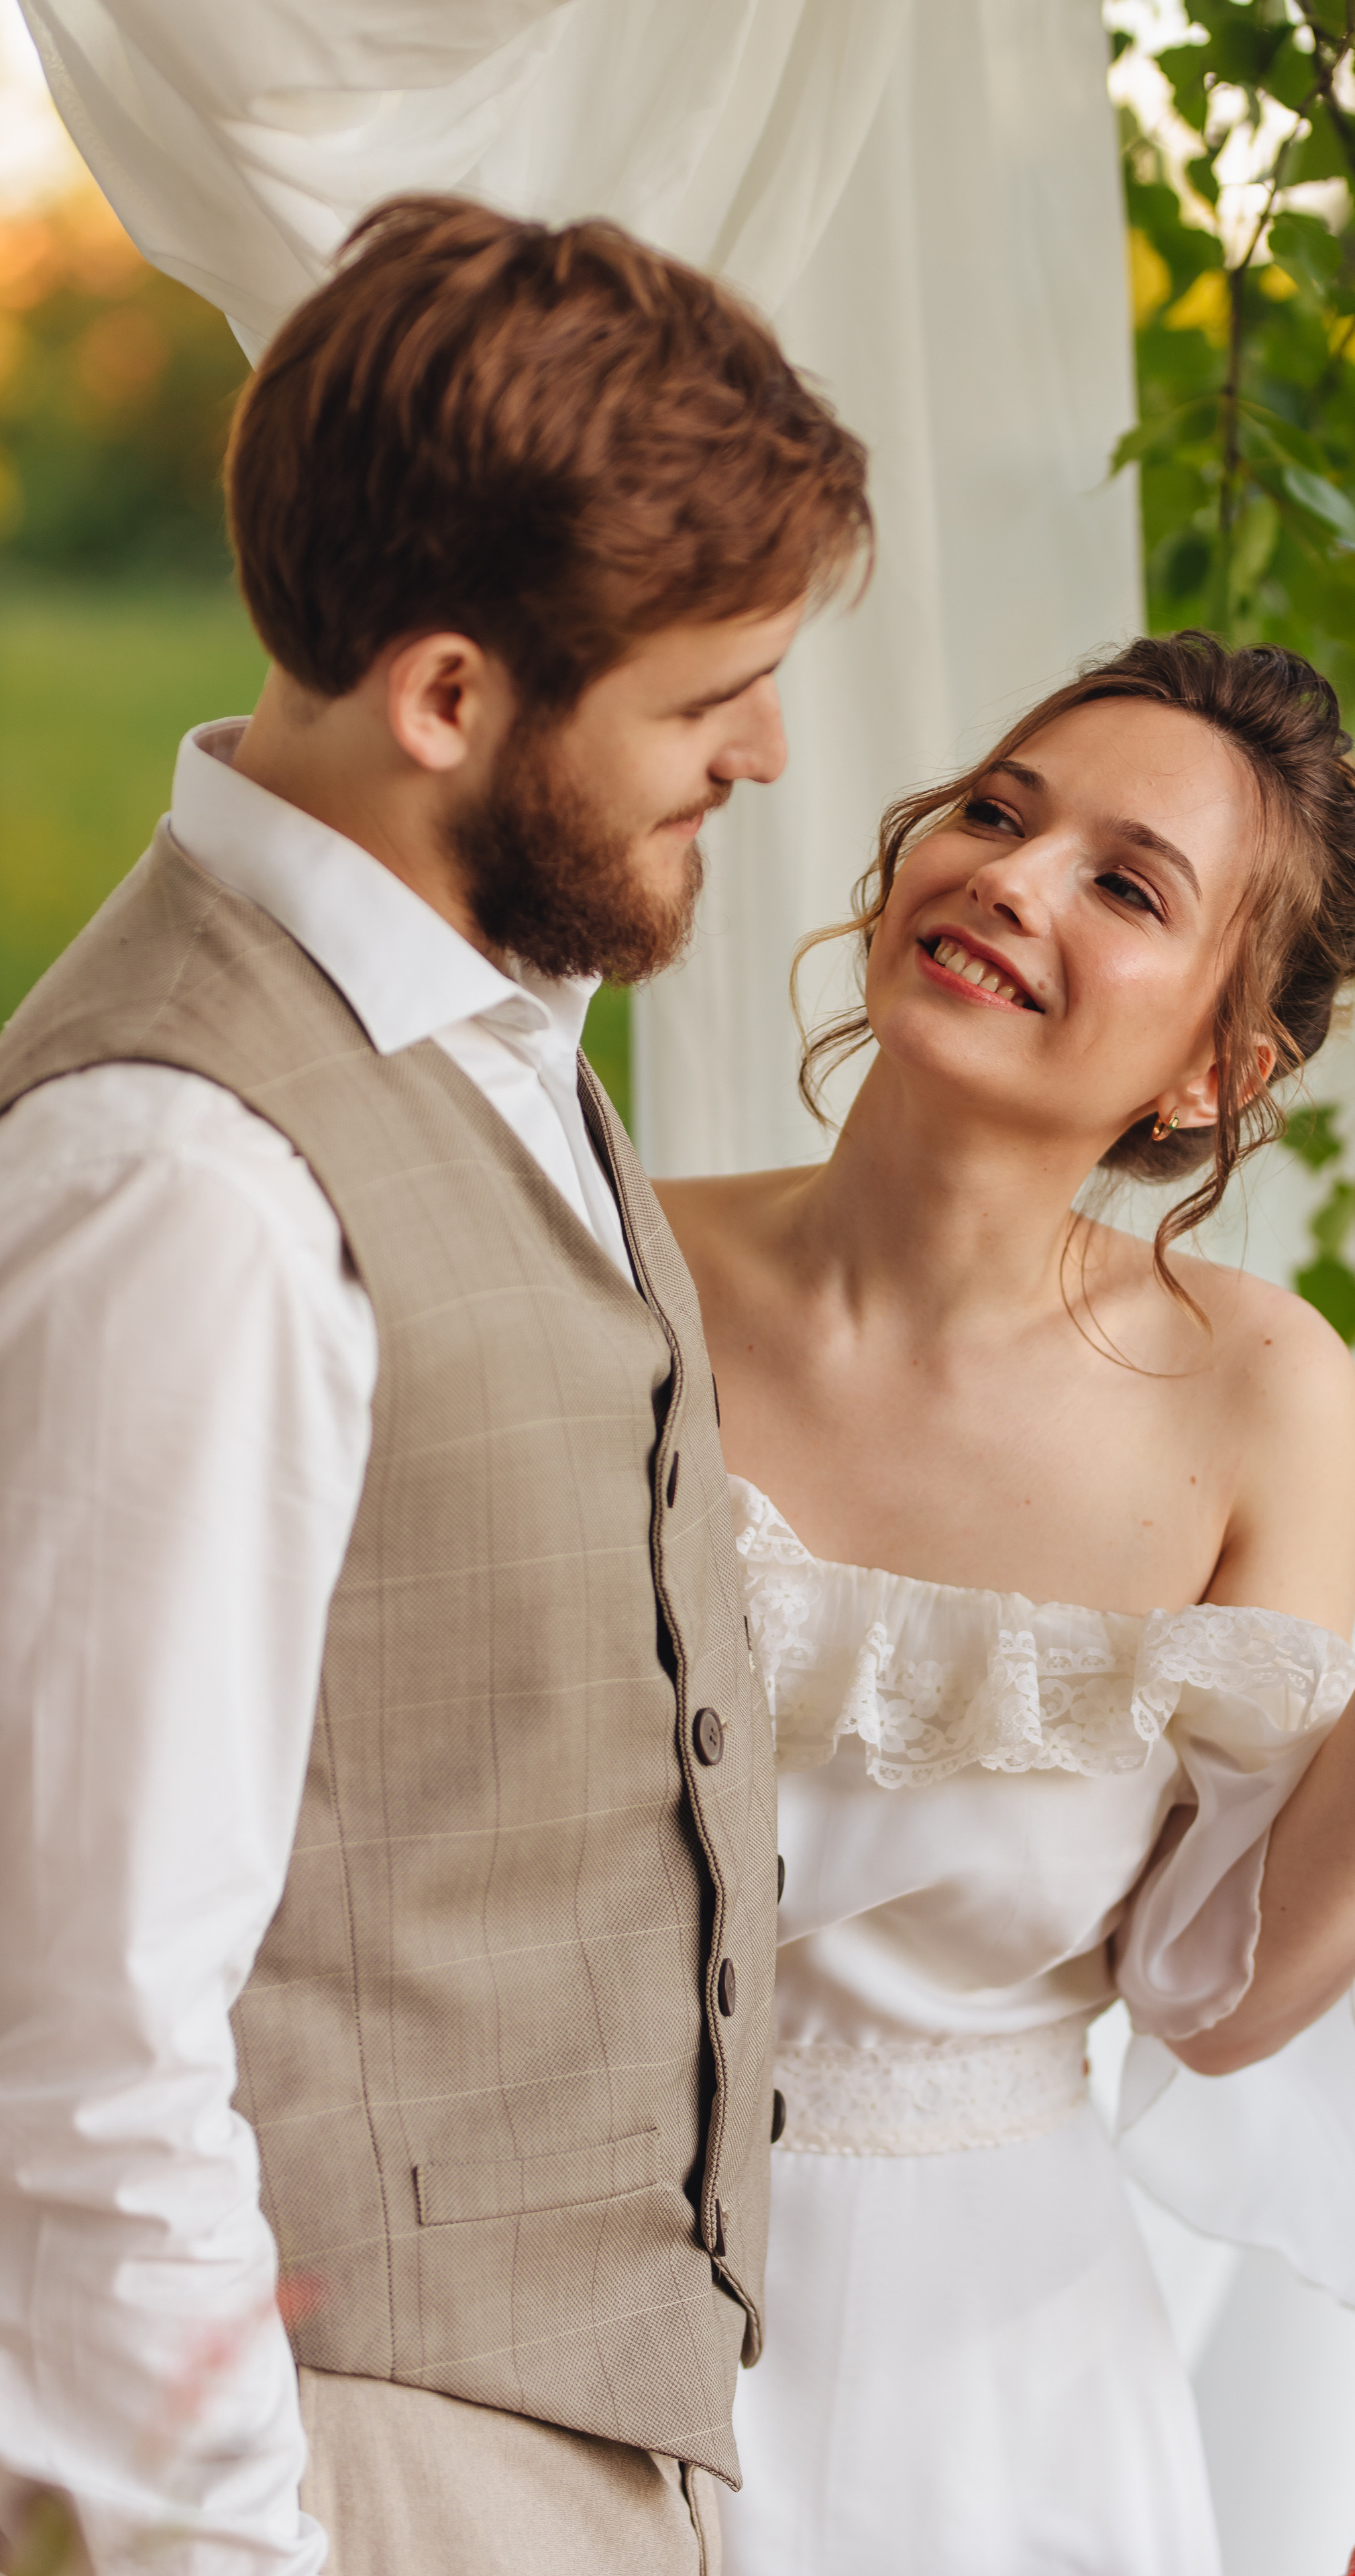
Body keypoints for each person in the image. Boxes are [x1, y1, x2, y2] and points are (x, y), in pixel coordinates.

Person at [0, 197, 869, 2576]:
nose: (772, 753)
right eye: (708, 700)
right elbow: (74, 2032)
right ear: (453, 700)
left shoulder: (493, 1037)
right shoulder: (186, 1173)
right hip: (340, 2467)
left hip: (565, 2442)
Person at [656, 633, 1355, 2575]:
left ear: (1225, 1066)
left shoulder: (1256, 1389)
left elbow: (1208, 2000)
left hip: (977, 2391)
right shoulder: (615, 1262)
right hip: (546, 2287)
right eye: (996, 811)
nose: (1010, 877)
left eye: (1124, 885)